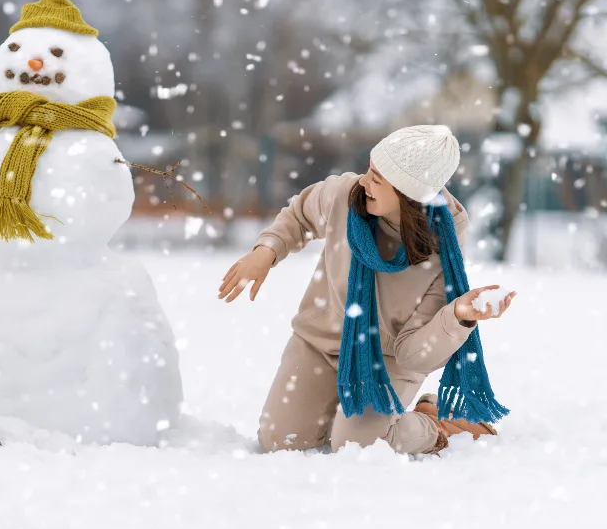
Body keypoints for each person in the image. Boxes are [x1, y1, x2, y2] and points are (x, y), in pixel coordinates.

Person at [219, 125, 515, 455]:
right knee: (280, 440)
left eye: (377, 178)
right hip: (320, 343)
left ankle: (437, 423)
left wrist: (458, 316)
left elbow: (413, 353)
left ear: (407, 193)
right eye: (369, 169)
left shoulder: (441, 250)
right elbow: (301, 214)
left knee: (359, 444)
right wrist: (267, 251)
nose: (363, 181)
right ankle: (339, 413)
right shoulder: (344, 196)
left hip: (386, 364)